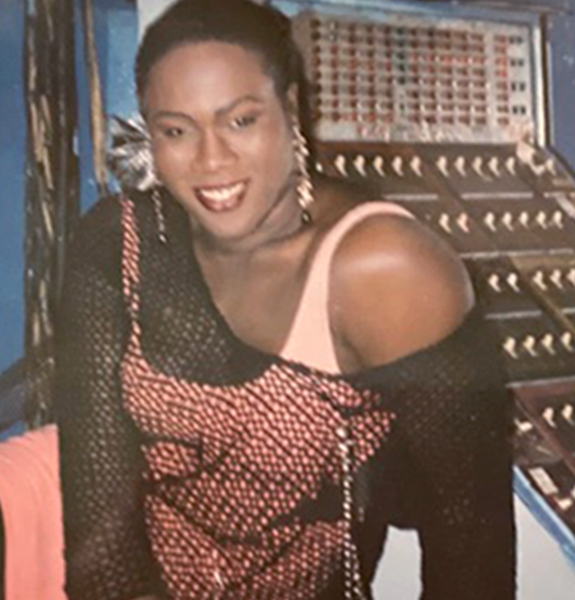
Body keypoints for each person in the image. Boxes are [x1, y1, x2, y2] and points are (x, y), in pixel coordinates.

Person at [55, 1, 516, 599]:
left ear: (291, 110)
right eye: (176, 130)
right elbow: (100, 542)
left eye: (241, 120)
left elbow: (472, 545)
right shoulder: (116, 242)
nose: (211, 160)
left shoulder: (384, 267)